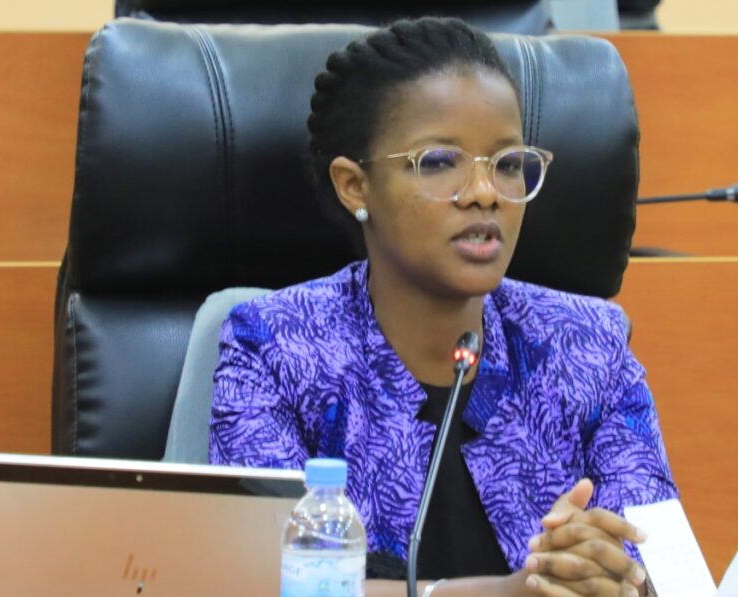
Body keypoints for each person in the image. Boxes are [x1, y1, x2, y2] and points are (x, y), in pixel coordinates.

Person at [209, 17, 677, 597]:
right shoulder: (275, 347)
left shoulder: (587, 346)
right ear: (355, 186)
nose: (485, 192)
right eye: (438, 162)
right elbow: (265, 579)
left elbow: (663, 566)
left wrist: (600, 570)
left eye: (508, 164)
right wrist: (510, 593)